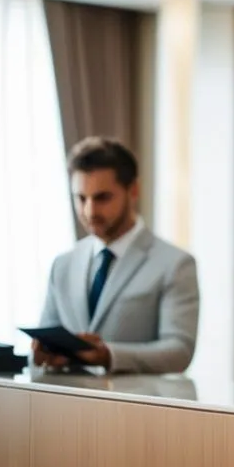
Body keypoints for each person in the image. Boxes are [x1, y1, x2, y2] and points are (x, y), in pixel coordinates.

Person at [32, 136, 199, 374]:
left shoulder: (175, 264)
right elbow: (46, 337)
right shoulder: (63, 264)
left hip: (137, 408)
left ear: (133, 190)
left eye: (102, 198)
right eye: (81, 198)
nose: (89, 211)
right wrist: (44, 352)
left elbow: (179, 350)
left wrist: (108, 355)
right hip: (67, 407)